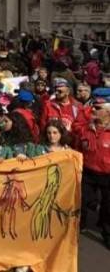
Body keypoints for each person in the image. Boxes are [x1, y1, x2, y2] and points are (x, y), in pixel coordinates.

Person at [78, 88, 110, 249]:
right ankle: (83, 222)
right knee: (84, 200)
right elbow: (79, 147)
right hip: (89, 171)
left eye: (98, 108)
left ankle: (107, 234)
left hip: (108, 175)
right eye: (93, 107)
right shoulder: (86, 128)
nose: (93, 110)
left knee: (108, 208)